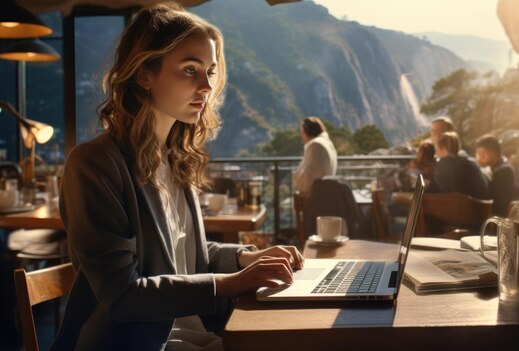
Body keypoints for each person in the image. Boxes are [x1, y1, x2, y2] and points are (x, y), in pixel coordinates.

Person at [54, 5, 303, 350]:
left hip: (194, 335)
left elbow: (187, 256)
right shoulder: (94, 165)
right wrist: (232, 283)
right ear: (144, 74)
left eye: (210, 72)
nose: (206, 86)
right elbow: (123, 296)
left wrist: (249, 258)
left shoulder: (173, 158)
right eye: (190, 70)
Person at [429, 131, 489, 200]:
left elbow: (431, 193)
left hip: (458, 209)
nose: (436, 154)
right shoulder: (471, 163)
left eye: (437, 150)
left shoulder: (443, 164)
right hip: (480, 208)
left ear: (444, 148)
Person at [292, 116, 337, 194]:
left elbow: (307, 180)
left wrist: (296, 176)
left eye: (302, 132)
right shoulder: (327, 143)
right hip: (325, 193)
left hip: (315, 197)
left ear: (307, 132)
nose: (302, 137)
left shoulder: (315, 145)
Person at [475, 135, 515, 216]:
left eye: (482, 154)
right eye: (477, 154)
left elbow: (499, 205)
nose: (478, 158)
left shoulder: (503, 171)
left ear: (493, 154)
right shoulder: (495, 167)